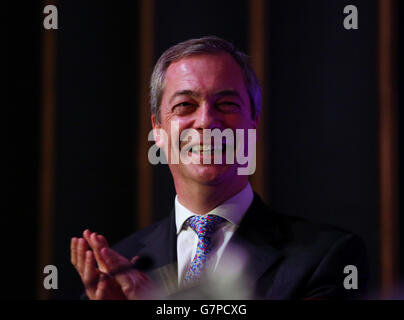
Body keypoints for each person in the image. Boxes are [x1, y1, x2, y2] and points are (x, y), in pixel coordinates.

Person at [70, 36, 369, 300]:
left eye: (226, 104)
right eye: (185, 105)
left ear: (254, 121)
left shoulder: (328, 258)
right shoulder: (112, 273)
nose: (206, 122)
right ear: (158, 130)